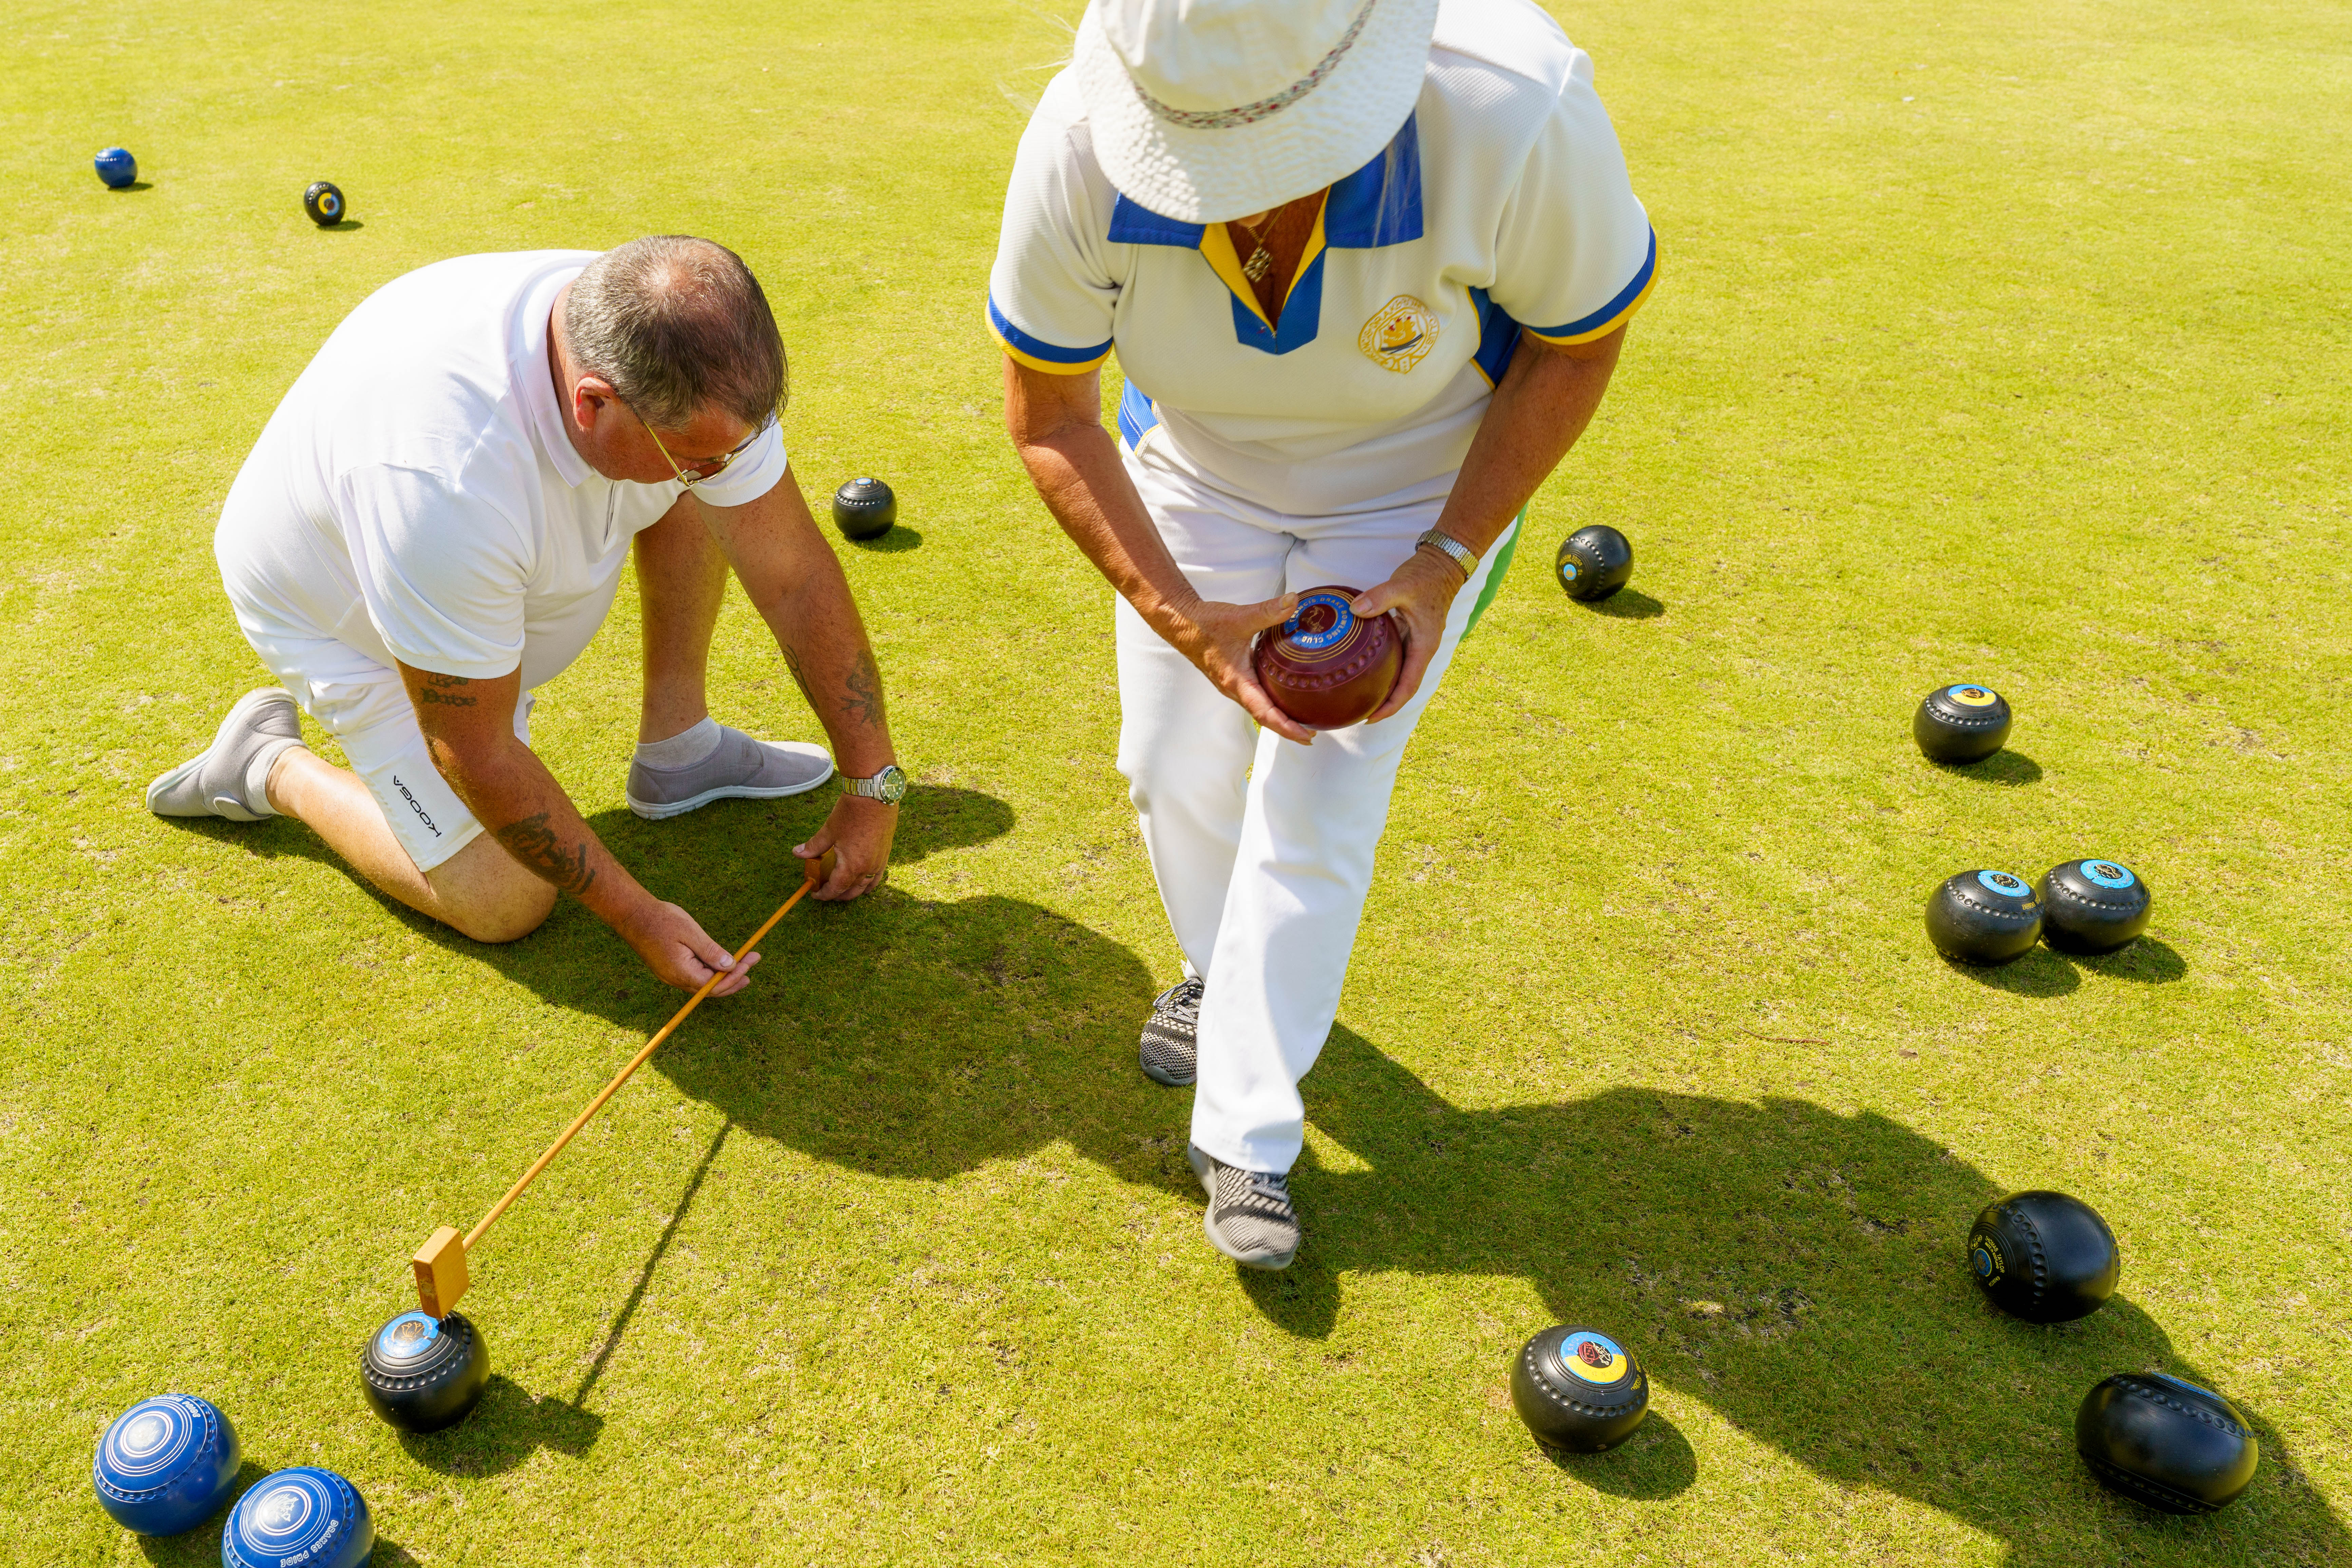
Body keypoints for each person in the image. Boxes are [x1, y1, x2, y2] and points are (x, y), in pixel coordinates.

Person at [989, 0, 1654, 1267]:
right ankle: (1217, 969)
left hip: (1415, 476)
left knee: (1320, 791)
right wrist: (1188, 624)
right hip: (1195, 462)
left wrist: (1438, 564)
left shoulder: (1516, 103)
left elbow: (1577, 343)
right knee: (1166, 764)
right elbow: (1053, 418)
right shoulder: (1078, 135)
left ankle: (1247, 1131)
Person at [149, 238, 908, 996]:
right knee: (504, 900)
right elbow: (471, 746)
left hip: (487, 556)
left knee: (700, 489)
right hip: (342, 616)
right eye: (694, 454)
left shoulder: (682, 347)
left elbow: (794, 575)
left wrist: (873, 781)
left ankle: (679, 747)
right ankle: (267, 765)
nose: (723, 468)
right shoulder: (441, 482)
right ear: (594, 401)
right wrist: (638, 915)